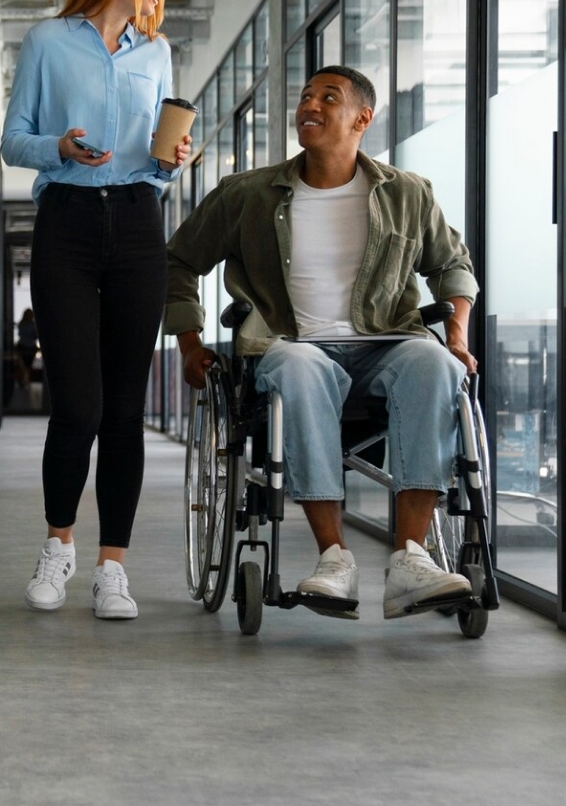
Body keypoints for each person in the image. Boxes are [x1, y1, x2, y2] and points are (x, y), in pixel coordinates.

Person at [165, 65, 477, 620]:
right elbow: (178, 261)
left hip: (388, 343)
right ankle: (334, 558)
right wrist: (190, 344)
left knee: (434, 364)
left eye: (327, 97)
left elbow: (452, 265)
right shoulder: (248, 195)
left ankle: (411, 557)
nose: (309, 104)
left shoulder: (407, 194)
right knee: (298, 366)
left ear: (362, 117)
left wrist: (455, 335)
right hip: (292, 344)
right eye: (305, 95)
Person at [0, 0, 192, 620]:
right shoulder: (50, 41)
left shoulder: (158, 52)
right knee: (77, 405)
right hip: (68, 230)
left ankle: (114, 567)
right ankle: (59, 546)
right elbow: (12, 142)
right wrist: (61, 147)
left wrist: (172, 163)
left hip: (140, 224)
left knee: (124, 411)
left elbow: (157, 151)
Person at [15, 308, 38, 389]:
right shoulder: (32, 324)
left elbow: (20, 334)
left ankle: (24, 381)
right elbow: (35, 336)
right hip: (28, 347)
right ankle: (24, 381)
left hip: (26, 347)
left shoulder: (23, 324)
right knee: (26, 366)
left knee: (25, 366)